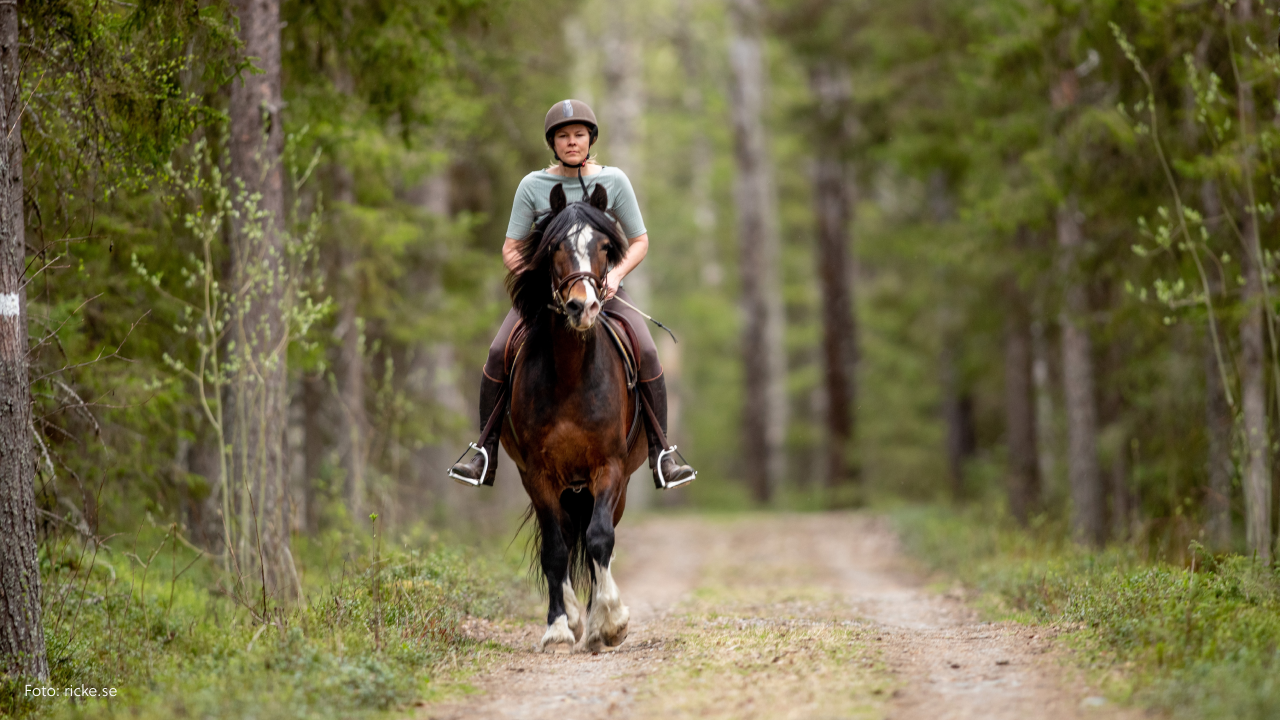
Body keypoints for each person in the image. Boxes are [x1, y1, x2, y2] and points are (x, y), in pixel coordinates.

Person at [449, 99, 696, 490]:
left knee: (647, 350)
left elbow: (640, 241)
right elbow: (511, 248)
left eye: (578, 135)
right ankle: (485, 452)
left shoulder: (614, 181)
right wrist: (534, 278)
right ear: (553, 143)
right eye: (563, 136)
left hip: (603, 290)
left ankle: (661, 453)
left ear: (590, 138)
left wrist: (614, 275)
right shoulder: (533, 186)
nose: (571, 142)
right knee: (498, 351)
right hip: (547, 295)